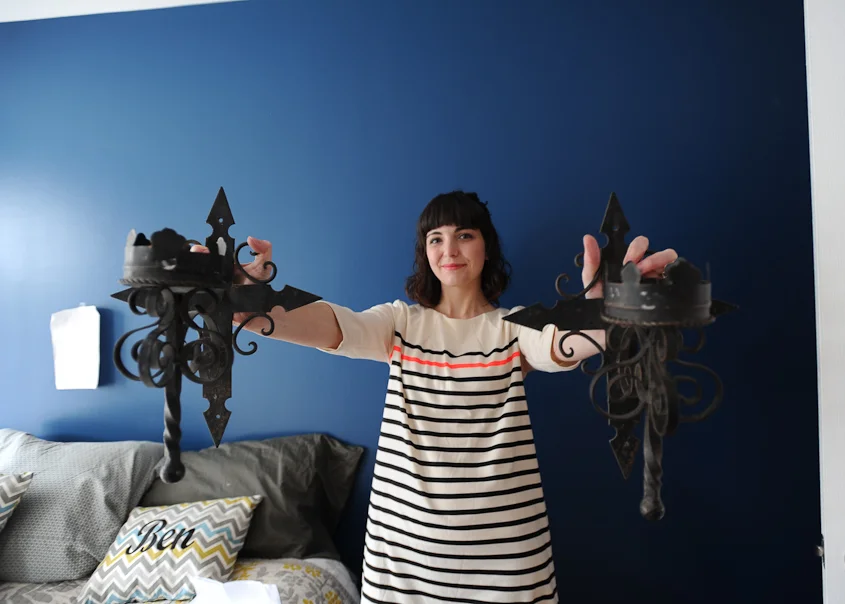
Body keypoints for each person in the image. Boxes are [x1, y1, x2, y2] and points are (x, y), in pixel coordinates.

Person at [193, 190, 677, 603]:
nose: (449, 249)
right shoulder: (401, 323)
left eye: (464, 234)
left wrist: (607, 315)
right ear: (424, 252)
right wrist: (250, 298)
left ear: (487, 247)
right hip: (403, 563)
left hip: (507, 563)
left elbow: (563, 344)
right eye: (435, 238)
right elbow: (327, 325)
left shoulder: (515, 327)